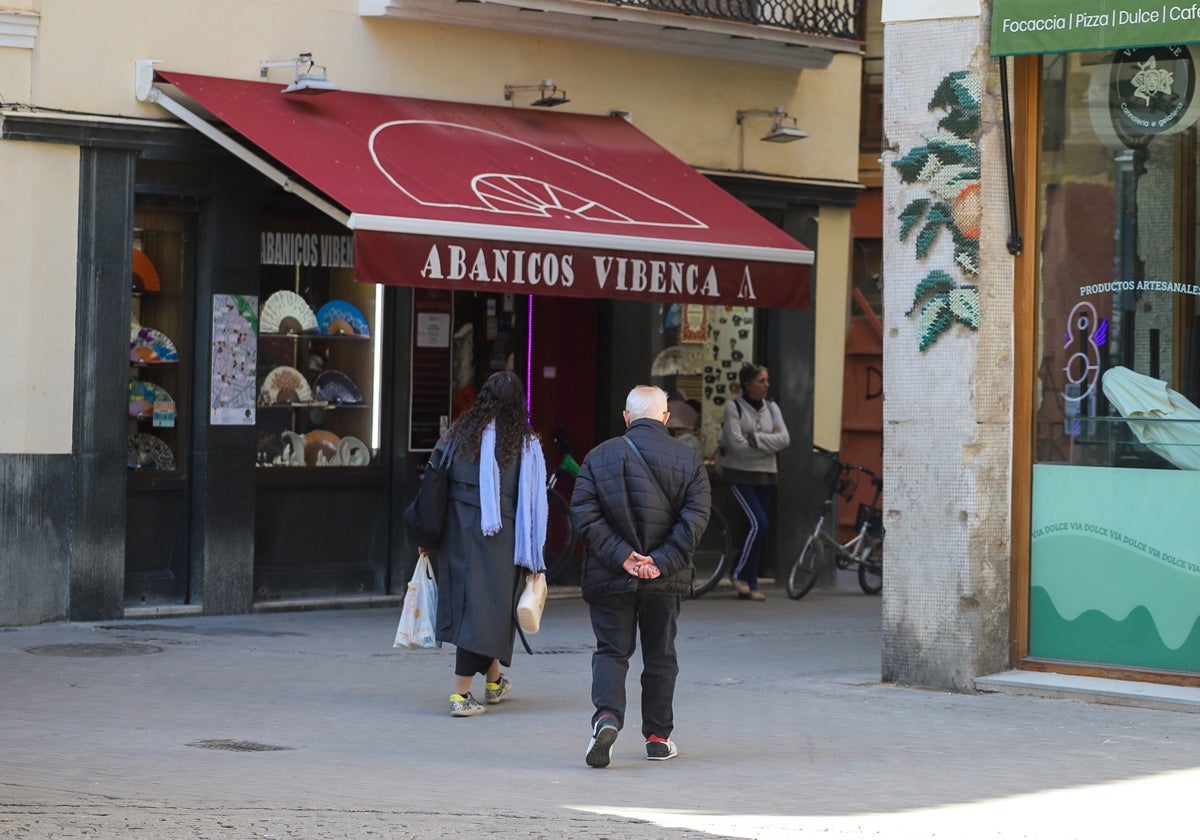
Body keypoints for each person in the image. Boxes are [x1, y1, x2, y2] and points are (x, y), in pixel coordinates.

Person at [571, 385, 710, 767]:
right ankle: (657, 737)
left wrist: (623, 558)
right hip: (664, 580)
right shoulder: (689, 460)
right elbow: (695, 520)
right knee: (661, 655)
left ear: (626, 417)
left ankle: (606, 718)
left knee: (611, 651)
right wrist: (660, 561)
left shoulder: (598, 457)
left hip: (609, 573)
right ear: (666, 418)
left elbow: (583, 513)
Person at [425, 371, 547, 717]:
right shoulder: (522, 443)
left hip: (457, 530)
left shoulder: (460, 433)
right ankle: (460, 694)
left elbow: (434, 479)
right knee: (482, 611)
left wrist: (428, 534)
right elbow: (533, 499)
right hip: (501, 535)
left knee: (482, 607)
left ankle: (494, 683)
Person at [717, 363, 790, 601]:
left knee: (758, 528)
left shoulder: (772, 407)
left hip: (766, 474)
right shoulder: (734, 407)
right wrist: (767, 444)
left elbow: (785, 439)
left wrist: (755, 440)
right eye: (761, 381)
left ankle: (751, 582)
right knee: (759, 523)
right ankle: (738, 573)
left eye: (767, 380)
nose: (766, 385)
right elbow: (735, 444)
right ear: (748, 384)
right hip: (740, 473)